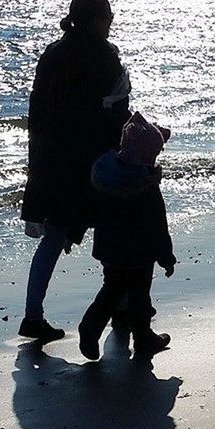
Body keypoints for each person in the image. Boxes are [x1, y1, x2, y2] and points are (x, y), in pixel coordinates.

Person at [19, 0, 131, 340]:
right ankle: (122, 309)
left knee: (53, 237)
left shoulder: (52, 53)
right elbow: (116, 111)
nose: (112, 21)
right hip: (92, 159)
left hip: (52, 158)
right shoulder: (104, 56)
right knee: (115, 231)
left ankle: (32, 315)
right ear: (97, 19)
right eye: (108, 15)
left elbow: (37, 112)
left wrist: (36, 158)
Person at [77, 112, 176, 360]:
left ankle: (90, 328)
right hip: (139, 253)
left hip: (109, 249)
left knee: (111, 291)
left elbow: (90, 211)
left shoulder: (106, 177)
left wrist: (76, 229)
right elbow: (158, 225)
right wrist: (166, 256)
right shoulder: (146, 186)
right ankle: (143, 337)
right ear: (146, 156)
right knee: (139, 294)